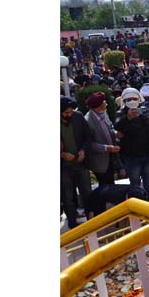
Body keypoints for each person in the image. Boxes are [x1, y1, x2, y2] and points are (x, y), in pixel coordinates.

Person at [115, 88, 149, 202]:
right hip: (131, 156)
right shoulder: (120, 114)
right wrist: (128, 118)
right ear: (124, 101)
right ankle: (138, 204)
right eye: (128, 99)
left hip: (148, 154)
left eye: (134, 98)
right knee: (134, 182)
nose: (132, 101)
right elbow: (117, 128)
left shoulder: (145, 111)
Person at [61, 97, 92, 229]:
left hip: (80, 163)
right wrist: (62, 154)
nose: (69, 115)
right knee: (67, 197)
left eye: (71, 112)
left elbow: (88, 136)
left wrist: (83, 150)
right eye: (66, 113)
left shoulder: (78, 117)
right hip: (63, 167)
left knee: (87, 193)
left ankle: (91, 220)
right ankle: (73, 224)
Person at [84, 92, 122, 186]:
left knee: (111, 184)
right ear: (98, 106)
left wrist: (115, 133)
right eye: (104, 102)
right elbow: (89, 144)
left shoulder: (103, 113)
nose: (106, 103)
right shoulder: (87, 121)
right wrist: (106, 148)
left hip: (111, 157)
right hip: (100, 161)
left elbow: (110, 127)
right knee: (105, 186)